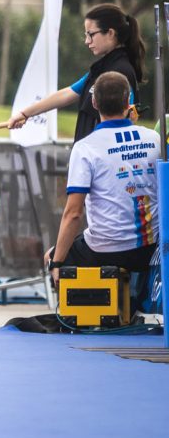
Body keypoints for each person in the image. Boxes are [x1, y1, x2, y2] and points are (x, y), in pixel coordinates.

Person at [47, 71, 159, 281]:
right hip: (150, 249)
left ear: (94, 102)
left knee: (52, 256)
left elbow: (73, 213)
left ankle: (73, 314)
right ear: (129, 102)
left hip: (104, 250)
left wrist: (57, 263)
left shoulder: (85, 148)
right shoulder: (154, 139)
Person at [9, 3, 144, 142]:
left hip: (100, 158)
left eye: (91, 34)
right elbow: (67, 94)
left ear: (110, 33)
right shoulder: (102, 68)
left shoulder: (121, 71)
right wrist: (25, 114)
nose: (87, 41)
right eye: (86, 35)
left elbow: (126, 119)